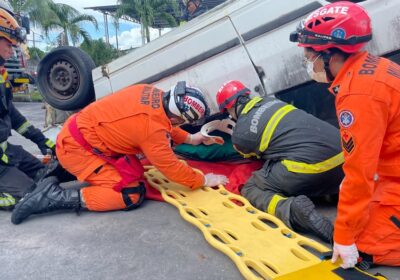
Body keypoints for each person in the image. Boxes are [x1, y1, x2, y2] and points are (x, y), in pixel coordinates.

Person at [11, 81, 229, 224]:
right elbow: (171, 167)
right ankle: (55, 197)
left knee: (132, 166)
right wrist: (201, 180)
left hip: (77, 133)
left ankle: (65, 170)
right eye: (184, 121)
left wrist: (192, 138)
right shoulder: (151, 130)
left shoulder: (153, 93)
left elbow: (164, 124)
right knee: (130, 193)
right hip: (78, 149)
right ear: (179, 117)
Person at [290, 1, 400, 269]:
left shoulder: (358, 94)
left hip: (392, 174)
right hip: (391, 169)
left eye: (310, 58)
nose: (309, 65)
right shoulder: (374, 66)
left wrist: (345, 237)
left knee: (365, 243)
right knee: (358, 213)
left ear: (331, 54)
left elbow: (360, 172)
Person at [216, 80, 344, 242]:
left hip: (312, 167)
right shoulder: (272, 101)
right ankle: (334, 194)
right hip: (344, 157)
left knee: (252, 187)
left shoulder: (241, 134)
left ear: (229, 108)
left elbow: (250, 155)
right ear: (246, 94)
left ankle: (293, 211)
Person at [0, 8, 55, 211]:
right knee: (29, 195)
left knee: (45, 174)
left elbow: (12, 116)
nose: (12, 49)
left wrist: (42, 141)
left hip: (6, 153)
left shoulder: (1, 74)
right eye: (8, 42)